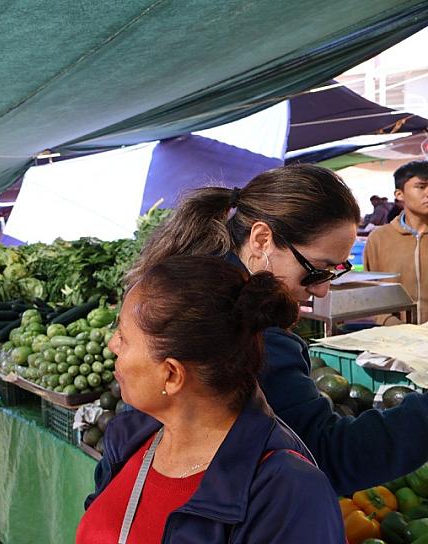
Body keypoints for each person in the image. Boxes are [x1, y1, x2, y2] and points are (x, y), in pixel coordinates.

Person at [118, 164, 428, 497]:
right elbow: (326, 456)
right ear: (262, 239)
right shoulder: (247, 333)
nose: (321, 290)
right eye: (316, 270)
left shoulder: (182, 285)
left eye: (334, 272)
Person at [79, 256, 344, 543]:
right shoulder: (130, 438)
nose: (112, 345)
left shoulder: (289, 496)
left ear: (172, 375)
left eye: (123, 336)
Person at [364, 160, 428, 324]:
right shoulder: (379, 239)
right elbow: (371, 292)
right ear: (399, 194)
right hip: (394, 335)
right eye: (421, 187)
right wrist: (389, 323)